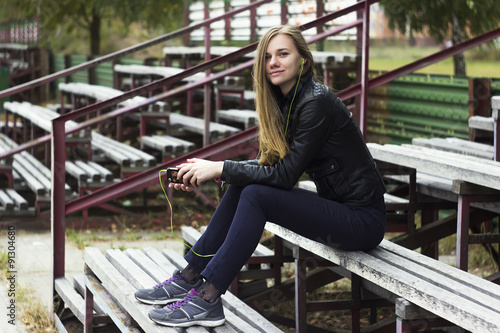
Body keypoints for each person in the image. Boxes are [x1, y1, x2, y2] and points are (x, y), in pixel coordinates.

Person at [135, 25, 387, 328]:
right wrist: (206, 173)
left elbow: (284, 177)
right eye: (267, 57)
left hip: (362, 222)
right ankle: (190, 277)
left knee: (256, 194)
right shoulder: (284, 103)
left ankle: (209, 297)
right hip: (341, 213)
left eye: (283, 54)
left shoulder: (315, 102)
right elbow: (266, 166)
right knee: (247, 186)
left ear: (302, 60)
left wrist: (219, 167)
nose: (274, 62)